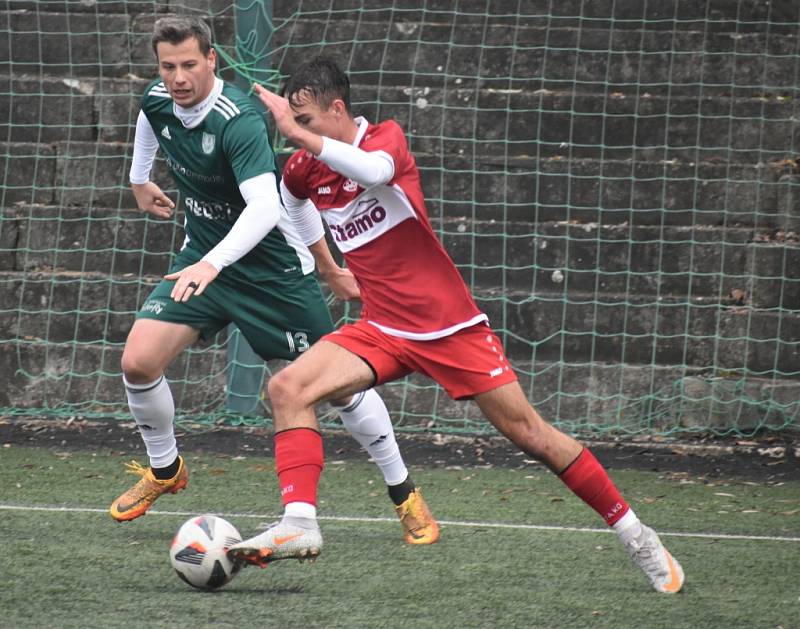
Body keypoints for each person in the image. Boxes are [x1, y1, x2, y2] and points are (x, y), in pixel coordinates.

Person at [228, 56, 685, 595]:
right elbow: (292, 199)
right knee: (288, 388)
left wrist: (294, 133)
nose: (297, 133)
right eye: (294, 123)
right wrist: (328, 267)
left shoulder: (384, 140)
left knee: (530, 435)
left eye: (306, 121)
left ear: (338, 109)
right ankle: (300, 525)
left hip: (448, 327)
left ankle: (636, 535)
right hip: (382, 328)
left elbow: (373, 173)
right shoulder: (307, 165)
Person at [108, 17, 439, 547]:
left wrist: (322, 268)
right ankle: (166, 470)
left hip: (273, 272)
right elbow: (151, 116)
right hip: (205, 260)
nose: (178, 78)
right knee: (137, 362)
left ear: (212, 60)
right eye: (168, 66)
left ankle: (403, 492)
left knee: (339, 392)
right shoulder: (158, 95)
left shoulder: (237, 120)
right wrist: (139, 178)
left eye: (190, 64)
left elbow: (266, 208)